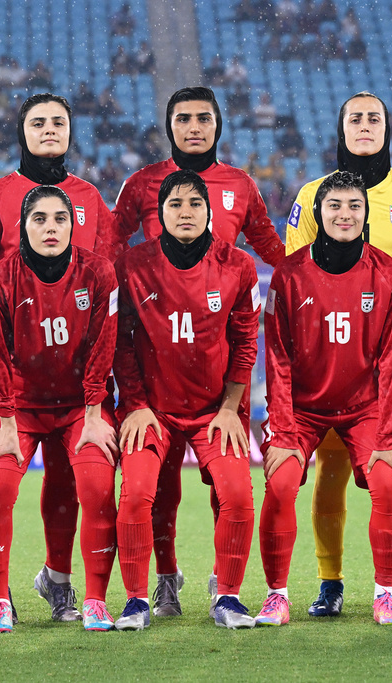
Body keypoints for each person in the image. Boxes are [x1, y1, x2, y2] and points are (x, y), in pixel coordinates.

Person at [111, 86, 285, 615]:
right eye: (182, 118)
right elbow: (106, 254)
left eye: (203, 118)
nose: (193, 127)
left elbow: (275, 251)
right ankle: (159, 584)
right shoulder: (140, 186)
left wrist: (327, 275)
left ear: (218, 125)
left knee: (230, 491)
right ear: (170, 126)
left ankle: (222, 585)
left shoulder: (239, 189)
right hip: (156, 374)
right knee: (152, 492)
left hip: (214, 380)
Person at [0, 92, 115, 624]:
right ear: (22, 131)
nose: (50, 130)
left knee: (73, 478)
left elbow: (105, 272)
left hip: (75, 371)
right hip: (10, 368)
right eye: (39, 122)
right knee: (0, 476)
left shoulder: (91, 199)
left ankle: (60, 582)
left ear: (71, 131)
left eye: (58, 122)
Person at [285, 92, 392, 617]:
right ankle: (331, 582)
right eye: (356, 118)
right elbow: (295, 279)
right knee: (329, 473)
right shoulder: (310, 196)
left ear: (387, 128)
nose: (366, 126)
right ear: (340, 128)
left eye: (375, 118)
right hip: (332, 363)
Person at [260, 171, 392, 626]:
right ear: (318, 213)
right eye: (335, 206)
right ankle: (276, 596)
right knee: (282, 481)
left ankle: (385, 595)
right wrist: (284, 432)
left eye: (354, 206)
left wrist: (387, 436)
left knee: (387, 482)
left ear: (366, 215)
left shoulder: (387, 273)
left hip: (365, 408)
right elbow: (278, 360)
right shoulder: (288, 275)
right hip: (303, 410)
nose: (344, 214)